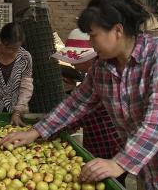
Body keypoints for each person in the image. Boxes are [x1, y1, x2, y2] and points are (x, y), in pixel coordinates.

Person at [1, 0, 158, 189]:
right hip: (146, 168)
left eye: (93, 35)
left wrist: (118, 163)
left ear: (117, 30)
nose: (90, 42)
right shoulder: (103, 67)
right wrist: (35, 132)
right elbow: (75, 104)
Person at [52, 28, 127, 186]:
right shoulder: (94, 74)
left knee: (113, 181)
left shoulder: (105, 75)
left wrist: (54, 128)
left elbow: (80, 110)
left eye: (77, 60)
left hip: (112, 143)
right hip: (95, 141)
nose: (73, 64)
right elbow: (75, 105)